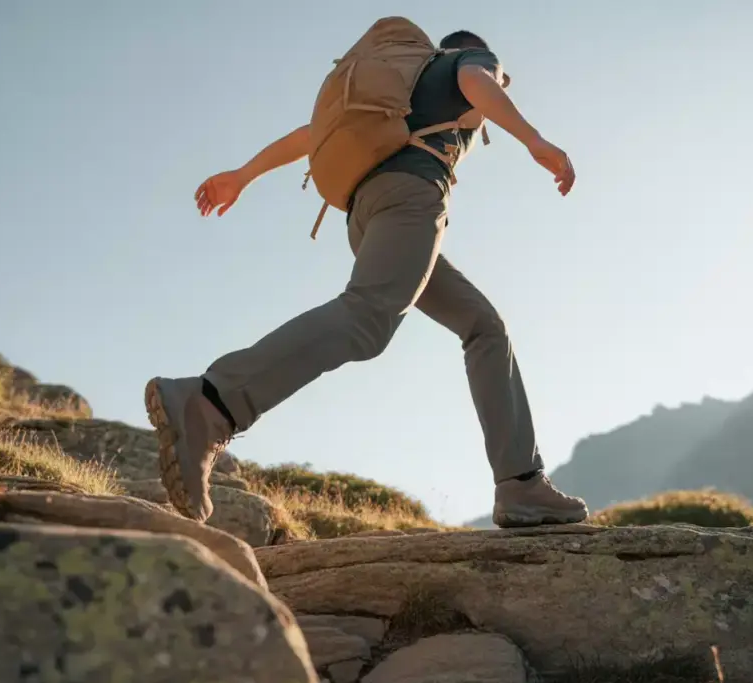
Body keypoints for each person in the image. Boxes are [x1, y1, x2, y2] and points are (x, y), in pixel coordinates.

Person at [145, 29, 588, 528]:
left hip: (365, 211)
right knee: (367, 320)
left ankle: (521, 483)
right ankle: (212, 402)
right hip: (412, 195)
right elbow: (475, 78)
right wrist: (535, 140)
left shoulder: (400, 85)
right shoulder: (465, 61)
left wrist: (243, 176)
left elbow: (311, 134)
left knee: (485, 326)